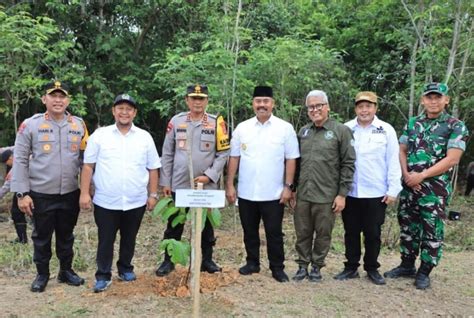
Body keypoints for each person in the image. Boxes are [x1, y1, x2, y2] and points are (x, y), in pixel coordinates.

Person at [384, 82, 469, 290]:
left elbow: (452, 159)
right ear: (423, 100)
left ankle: (425, 271)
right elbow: (401, 150)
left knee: (432, 229)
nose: (433, 101)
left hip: (434, 189)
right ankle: (406, 265)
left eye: (438, 97)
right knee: (407, 225)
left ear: (446, 100)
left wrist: (422, 175)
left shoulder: (455, 126)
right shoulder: (413, 123)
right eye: (429, 97)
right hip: (410, 186)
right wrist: (406, 175)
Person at [11, 80, 89, 292]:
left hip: (69, 193)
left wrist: (86, 191)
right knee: (41, 237)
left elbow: (86, 161)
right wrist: (21, 193)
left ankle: (66, 271)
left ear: (68, 100)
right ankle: (42, 274)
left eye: (62, 96)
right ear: (44, 99)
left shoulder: (78, 125)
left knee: (66, 235)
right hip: (40, 193)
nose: (58, 100)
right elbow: (20, 159)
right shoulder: (31, 125)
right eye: (53, 96)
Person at [80, 94, 161, 293]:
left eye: (129, 109)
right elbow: (88, 166)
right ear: (114, 111)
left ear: (134, 113)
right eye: (120, 108)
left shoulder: (144, 137)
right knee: (106, 239)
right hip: (106, 201)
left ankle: (125, 268)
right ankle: (103, 274)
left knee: (129, 237)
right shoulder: (100, 135)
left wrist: (153, 195)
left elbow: (153, 169)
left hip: (135, 200)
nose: (124, 112)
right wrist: (84, 193)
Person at [226, 86, 300, 283]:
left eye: (266, 101)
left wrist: (288, 187)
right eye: (258, 101)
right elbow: (234, 157)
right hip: (247, 192)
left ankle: (277, 268)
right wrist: (230, 185)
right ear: (253, 104)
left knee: (274, 233)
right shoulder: (243, 128)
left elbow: (291, 159)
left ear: (272, 104)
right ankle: (252, 263)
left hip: (274, 193)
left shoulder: (285, 128)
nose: (262, 105)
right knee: (249, 231)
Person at [155, 84, 230, 276]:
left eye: (201, 98)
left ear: (207, 101)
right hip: (180, 184)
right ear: (187, 100)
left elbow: (223, 154)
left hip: (206, 186)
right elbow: (167, 152)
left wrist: (209, 175)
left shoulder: (216, 123)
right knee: (174, 224)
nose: (197, 102)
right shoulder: (177, 121)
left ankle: (207, 260)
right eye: (193, 98)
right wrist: (166, 181)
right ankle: (168, 261)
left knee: (206, 226)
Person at [333, 91, 402, 285]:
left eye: (368, 106)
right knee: (351, 231)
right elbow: (338, 162)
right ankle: (351, 267)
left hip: (376, 192)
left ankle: (372, 268)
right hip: (351, 192)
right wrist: (339, 191)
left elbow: (393, 160)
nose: (364, 110)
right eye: (361, 106)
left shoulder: (385, 129)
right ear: (356, 108)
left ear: (375, 108)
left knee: (373, 233)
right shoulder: (346, 128)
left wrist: (393, 189)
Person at [292, 89, 355, 282]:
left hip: (327, 195)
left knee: (323, 234)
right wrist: (293, 189)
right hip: (303, 194)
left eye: (318, 105)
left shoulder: (341, 131)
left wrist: (342, 194)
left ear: (327, 107)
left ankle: (317, 267)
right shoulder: (303, 131)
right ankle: (302, 265)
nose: (314, 109)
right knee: (302, 232)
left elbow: (348, 163)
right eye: (311, 106)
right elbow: (296, 163)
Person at [0, 149, 28, 243]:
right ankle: (23, 238)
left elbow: (6, 187)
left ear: (11, 157)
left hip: (28, 189)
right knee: (17, 213)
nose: (7, 165)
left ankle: (24, 239)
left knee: (18, 213)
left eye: (6, 162)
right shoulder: (22, 156)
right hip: (25, 188)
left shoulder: (16, 167)